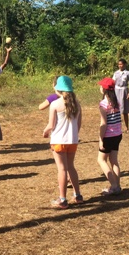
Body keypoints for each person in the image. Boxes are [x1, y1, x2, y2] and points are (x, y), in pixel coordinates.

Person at [43, 75, 83, 209]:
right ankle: (78, 195)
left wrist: (45, 132)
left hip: (58, 141)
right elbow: (78, 125)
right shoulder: (77, 104)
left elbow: (51, 125)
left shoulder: (55, 104)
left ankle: (62, 199)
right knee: (71, 167)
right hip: (73, 141)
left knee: (62, 169)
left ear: (58, 89)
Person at [97, 77, 122, 195]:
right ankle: (117, 186)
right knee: (114, 161)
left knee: (101, 160)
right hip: (117, 135)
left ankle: (113, 186)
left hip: (108, 136)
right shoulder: (116, 102)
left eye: (101, 86)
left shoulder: (103, 104)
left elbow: (103, 123)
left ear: (105, 89)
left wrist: (101, 139)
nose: (100, 87)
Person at [113, 58, 129, 133]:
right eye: (119, 64)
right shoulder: (116, 73)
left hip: (124, 92)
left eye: (121, 64)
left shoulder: (128, 73)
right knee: (116, 110)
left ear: (124, 64)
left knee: (125, 111)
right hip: (117, 91)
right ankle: (116, 128)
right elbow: (113, 83)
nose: (120, 66)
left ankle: (127, 128)